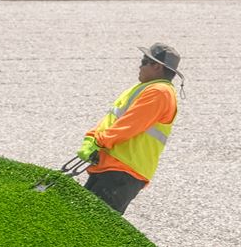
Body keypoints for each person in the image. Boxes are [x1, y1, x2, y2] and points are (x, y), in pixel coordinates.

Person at [76, 43, 184, 214]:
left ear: (157, 66)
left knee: (93, 225)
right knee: (83, 219)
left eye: (143, 61)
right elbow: (111, 118)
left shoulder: (160, 92)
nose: (139, 66)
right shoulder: (145, 88)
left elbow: (130, 125)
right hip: (112, 166)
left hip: (123, 169)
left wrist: (98, 141)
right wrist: (91, 137)